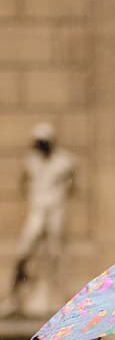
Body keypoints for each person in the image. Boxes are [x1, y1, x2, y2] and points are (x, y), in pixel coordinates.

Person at [8, 123, 76, 314]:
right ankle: (16, 294)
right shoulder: (31, 161)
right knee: (24, 250)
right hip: (38, 210)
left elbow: (72, 184)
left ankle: (58, 296)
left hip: (55, 210)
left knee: (56, 253)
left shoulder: (64, 161)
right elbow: (23, 184)